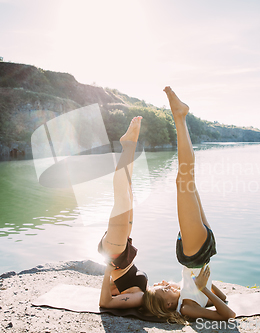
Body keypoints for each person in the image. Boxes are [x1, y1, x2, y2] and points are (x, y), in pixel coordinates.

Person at [142, 87, 236, 322]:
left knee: (187, 180)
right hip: (194, 254)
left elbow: (221, 298)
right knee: (184, 178)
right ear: (169, 304)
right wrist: (203, 288)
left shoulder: (184, 292)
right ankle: (179, 116)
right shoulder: (186, 308)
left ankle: (180, 116)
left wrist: (202, 287)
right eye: (162, 290)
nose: (162, 283)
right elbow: (228, 312)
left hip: (200, 251)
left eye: (159, 285)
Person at [98, 116, 148, 309]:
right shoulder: (148, 293)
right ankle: (131, 145)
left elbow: (105, 302)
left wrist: (106, 272)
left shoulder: (140, 298)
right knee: (128, 190)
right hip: (122, 248)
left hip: (115, 255)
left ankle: (127, 146)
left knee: (122, 199)